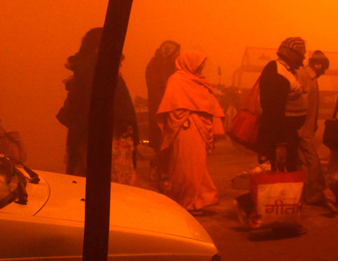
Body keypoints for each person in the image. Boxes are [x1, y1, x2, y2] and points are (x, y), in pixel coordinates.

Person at [57, 28, 138, 183]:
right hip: (104, 136)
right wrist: (122, 121)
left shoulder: (94, 68)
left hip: (100, 134)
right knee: (106, 183)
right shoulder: (94, 70)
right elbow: (96, 105)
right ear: (98, 45)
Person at [156, 50, 225, 213]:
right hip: (184, 129)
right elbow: (172, 108)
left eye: (203, 64)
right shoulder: (176, 80)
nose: (201, 67)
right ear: (189, 62)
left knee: (198, 164)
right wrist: (185, 115)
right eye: (199, 63)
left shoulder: (200, 82)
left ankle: (200, 198)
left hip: (200, 128)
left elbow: (209, 105)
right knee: (185, 165)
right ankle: (185, 200)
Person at [257, 37, 307, 172]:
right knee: (281, 181)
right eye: (301, 56)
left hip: (286, 135)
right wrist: (281, 144)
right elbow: (273, 112)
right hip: (280, 137)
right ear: (290, 54)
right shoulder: (277, 73)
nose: (303, 60)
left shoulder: (286, 71)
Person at [297, 50, 334, 206]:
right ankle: (312, 194)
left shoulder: (310, 77)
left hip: (306, 128)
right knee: (313, 161)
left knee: (304, 161)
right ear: (318, 66)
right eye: (323, 68)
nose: (324, 72)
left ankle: (304, 193)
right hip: (301, 129)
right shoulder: (304, 76)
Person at [145, 40, 181, 155]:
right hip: (160, 107)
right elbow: (157, 87)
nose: (167, 50)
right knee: (160, 139)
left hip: (172, 107)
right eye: (165, 48)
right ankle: (157, 168)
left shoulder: (177, 65)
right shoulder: (155, 64)